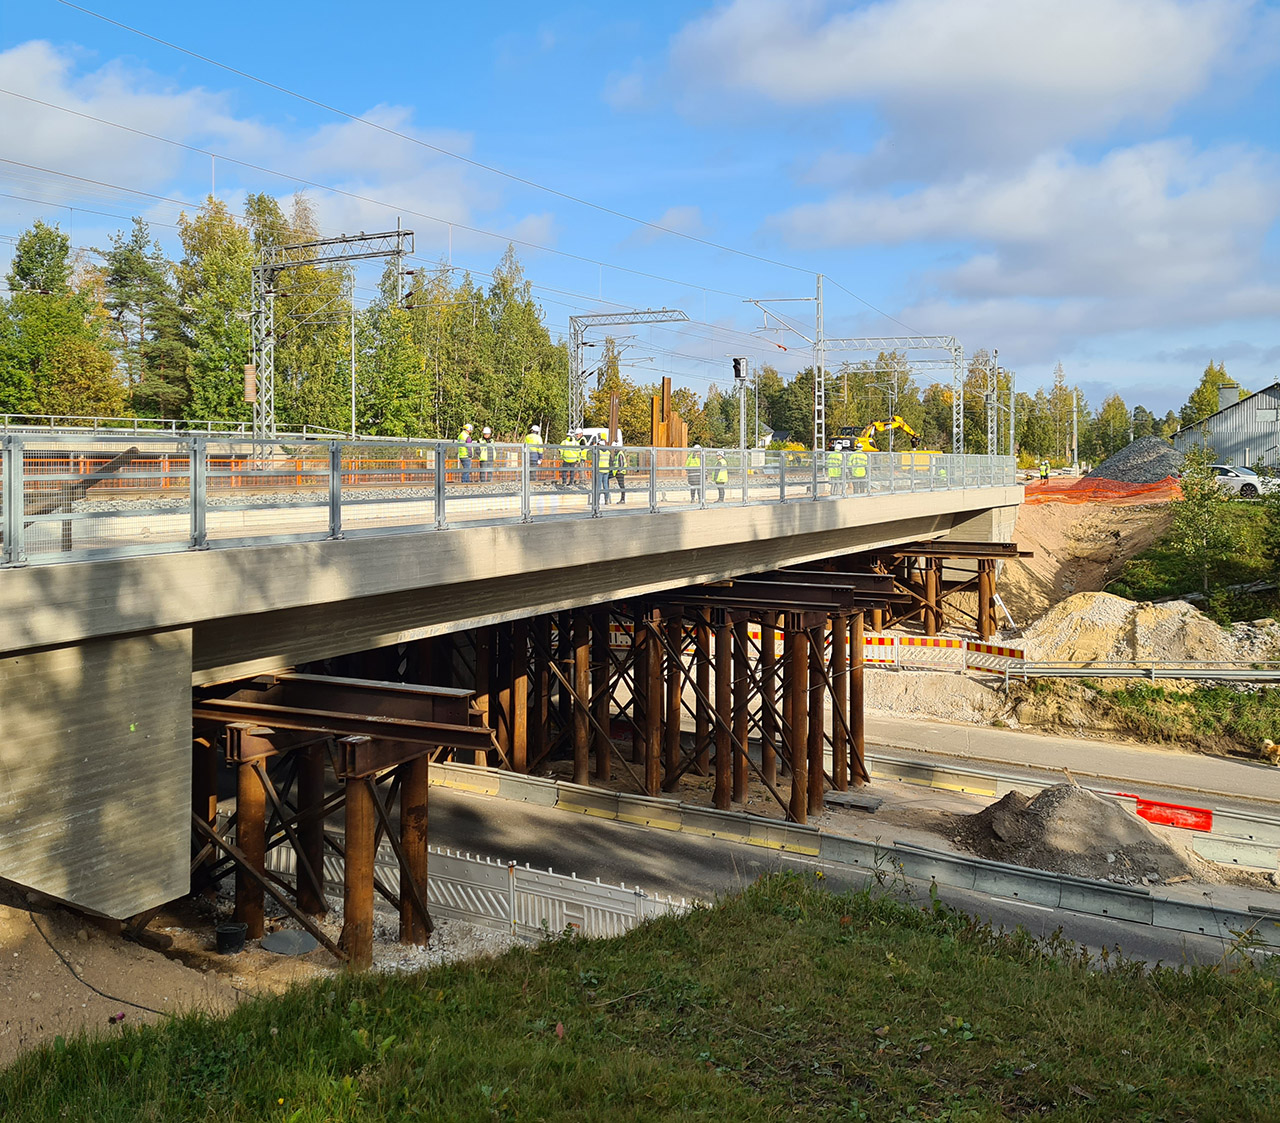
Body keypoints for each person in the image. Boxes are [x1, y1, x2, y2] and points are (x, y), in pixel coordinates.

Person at [612, 436, 629, 504]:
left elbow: (621, 463)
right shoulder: (618, 454)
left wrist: (619, 470)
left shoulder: (620, 454)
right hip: (617, 472)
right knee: (621, 485)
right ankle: (622, 499)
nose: (614, 450)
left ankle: (622, 499)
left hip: (620, 472)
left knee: (621, 485)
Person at [595, 435, 612, 503]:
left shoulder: (599, 451)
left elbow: (596, 460)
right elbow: (610, 461)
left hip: (600, 470)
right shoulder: (608, 452)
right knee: (605, 485)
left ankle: (597, 500)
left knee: (599, 486)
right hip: (606, 470)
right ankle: (606, 500)